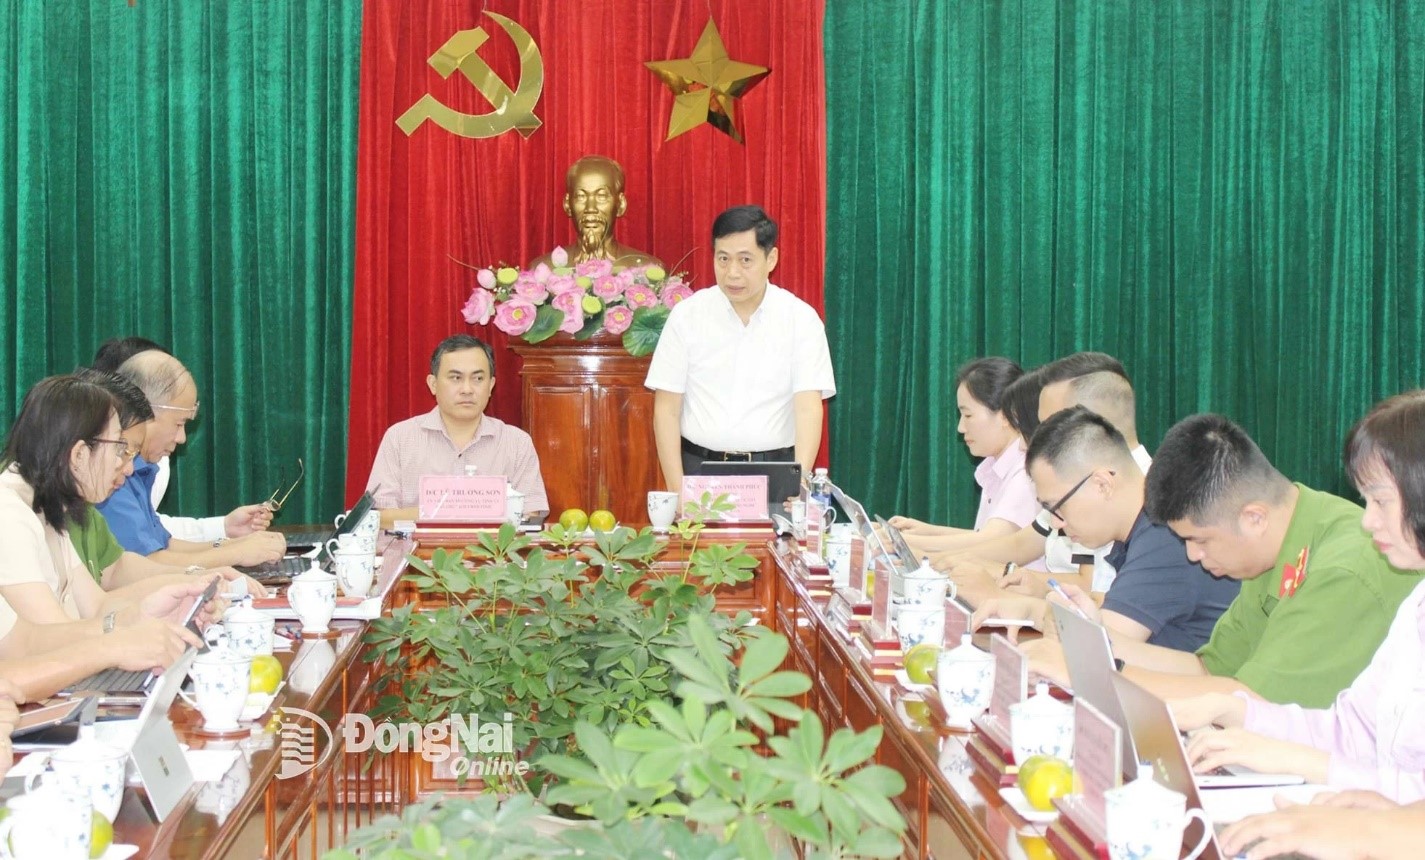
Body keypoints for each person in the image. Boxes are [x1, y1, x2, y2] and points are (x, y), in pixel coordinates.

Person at [1046, 413, 1421, 707]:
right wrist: (1097, 644)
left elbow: (1249, 707)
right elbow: (1206, 668)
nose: (1192, 555)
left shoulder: (1344, 570)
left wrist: (1087, 672)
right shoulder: (1275, 546)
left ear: (1253, 517)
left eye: (1200, 540)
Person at [1171, 391, 1425, 803]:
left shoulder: (1349, 572)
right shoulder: (1416, 605)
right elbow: (1351, 730)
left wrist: (1293, 759)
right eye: (1366, 501)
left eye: (1380, 500)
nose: (1367, 520)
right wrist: (1237, 712)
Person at [0, 375, 228, 700]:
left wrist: (149, 612)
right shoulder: (8, 514)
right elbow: (43, 643)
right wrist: (124, 635)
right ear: (78, 454)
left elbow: (95, 606)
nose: (129, 467)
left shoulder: (50, 503)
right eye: (120, 449)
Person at [971, 407, 1238, 651]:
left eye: (1057, 507)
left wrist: (1002, 599)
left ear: (1102, 484)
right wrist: (1032, 609)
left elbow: (1099, 649)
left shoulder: (1165, 534)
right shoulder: (1144, 528)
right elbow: (1106, 616)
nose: (1055, 523)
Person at [646, 205, 836, 488]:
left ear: (771, 258)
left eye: (745, 260)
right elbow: (666, 410)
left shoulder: (800, 319)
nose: (732, 273)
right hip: (700, 469)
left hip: (776, 471)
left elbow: (808, 409)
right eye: (723, 259)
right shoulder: (687, 316)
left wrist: (800, 483)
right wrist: (677, 490)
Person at [938, 357, 1149, 595]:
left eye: (1049, 425)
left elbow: (1096, 597)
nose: (1030, 440)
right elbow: (1020, 545)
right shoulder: (1084, 483)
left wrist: (1003, 580)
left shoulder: (1139, 504)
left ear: (1091, 423)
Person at [97, 351, 286, 566]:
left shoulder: (140, 469)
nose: (182, 438)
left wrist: (234, 543)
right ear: (145, 412)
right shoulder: (113, 475)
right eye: (179, 424)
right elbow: (147, 562)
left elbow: (165, 544)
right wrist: (236, 554)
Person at [366, 335, 549, 527]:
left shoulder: (516, 442)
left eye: (478, 378)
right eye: (456, 378)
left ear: (491, 386)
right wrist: (447, 510)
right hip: (417, 554)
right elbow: (379, 517)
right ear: (433, 384)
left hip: (494, 555)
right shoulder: (400, 438)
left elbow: (531, 517)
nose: (467, 389)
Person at [890, 358, 1040, 555]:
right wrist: (926, 531)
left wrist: (902, 541)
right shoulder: (997, 466)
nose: (961, 428)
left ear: (1005, 415)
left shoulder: (1025, 471)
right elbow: (981, 535)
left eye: (968, 416)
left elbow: (993, 541)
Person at [529, 155, 661, 269]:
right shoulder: (542, 270)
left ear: (620, 204)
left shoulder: (648, 270)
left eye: (602, 196)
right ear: (567, 204)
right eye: (581, 196)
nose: (590, 208)